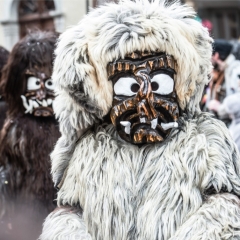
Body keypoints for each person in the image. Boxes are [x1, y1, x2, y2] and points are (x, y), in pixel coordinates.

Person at [40, 0, 240, 239]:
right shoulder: (91, 149)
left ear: (180, 84)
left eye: (158, 84)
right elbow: (69, 210)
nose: (144, 102)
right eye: (130, 86)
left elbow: (225, 205)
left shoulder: (204, 140)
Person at [0, 31, 60, 240]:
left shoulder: (71, 128)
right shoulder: (16, 131)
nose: (42, 94)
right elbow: (7, 179)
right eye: (35, 84)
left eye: (49, 84)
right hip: (24, 224)